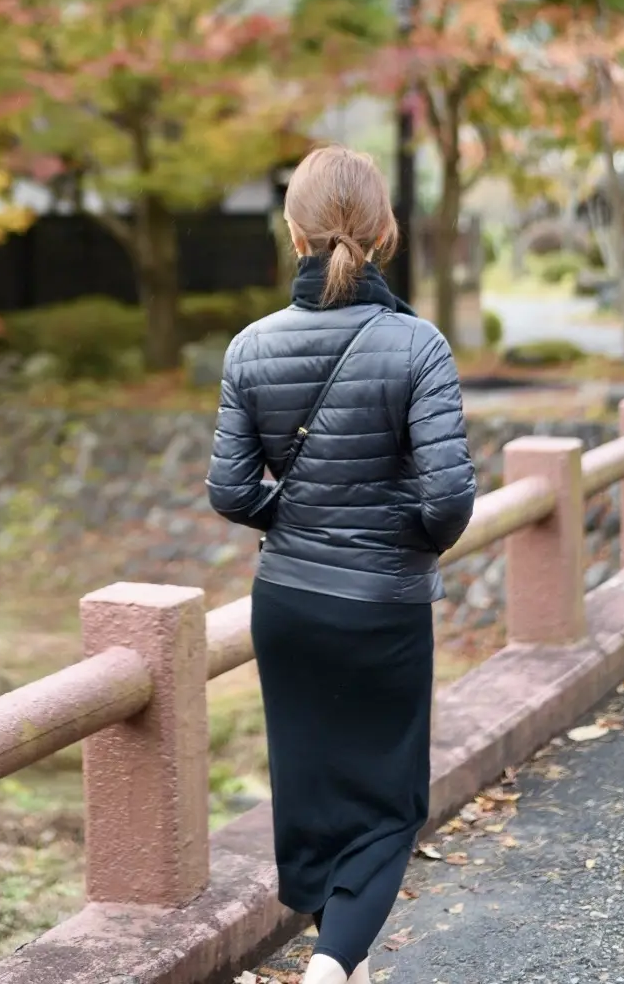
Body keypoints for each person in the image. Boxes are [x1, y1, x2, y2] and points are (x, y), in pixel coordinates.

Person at [207, 145, 476, 984]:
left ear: (295, 233)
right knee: (391, 806)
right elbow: (448, 500)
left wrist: (290, 517)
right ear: (386, 230)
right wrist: (395, 544)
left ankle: (340, 962)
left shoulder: (250, 347)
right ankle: (330, 968)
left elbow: (228, 489)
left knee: (315, 798)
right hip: (383, 606)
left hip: (286, 601)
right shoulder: (417, 345)